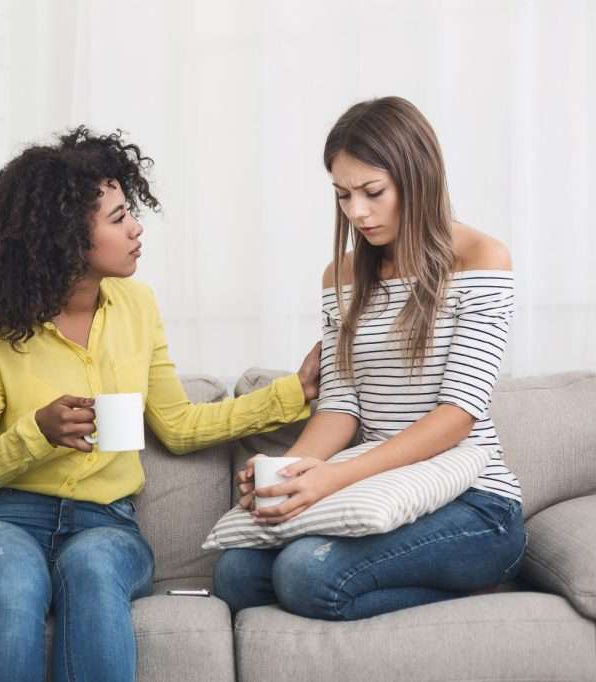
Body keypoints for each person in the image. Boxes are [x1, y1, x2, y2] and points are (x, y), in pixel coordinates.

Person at [0, 126, 321, 682]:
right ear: (66, 238)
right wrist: (36, 434)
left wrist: (295, 392)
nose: (137, 229)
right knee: (14, 580)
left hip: (105, 522)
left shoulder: (137, 306)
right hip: (4, 519)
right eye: (118, 219)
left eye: (130, 213)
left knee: (92, 569)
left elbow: (179, 425)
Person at [214, 96, 526, 621]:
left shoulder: (481, 259)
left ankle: (485, 582)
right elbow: (340, 405)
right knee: (235, 573)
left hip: (475, 503)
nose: (356, 212)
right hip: (381, 491)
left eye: (372, 192)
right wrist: (292, 472)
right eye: (343, 195)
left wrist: (335, 478)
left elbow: (457, 416)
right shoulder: (339, 275)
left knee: (304, 574)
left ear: (417, 178)